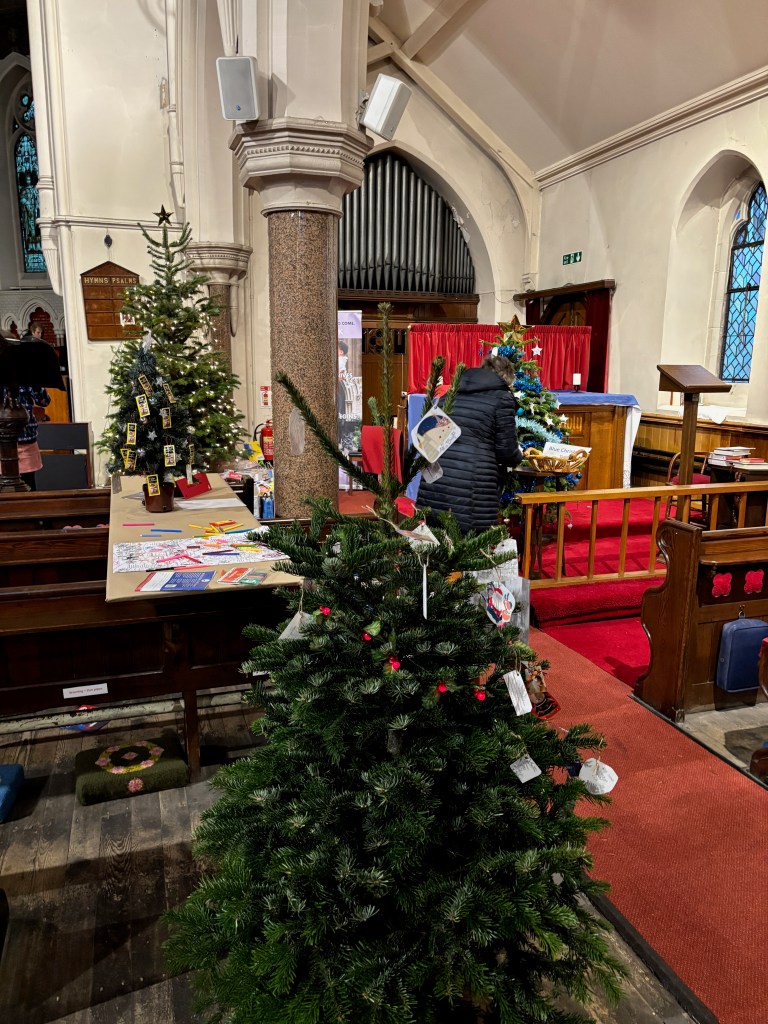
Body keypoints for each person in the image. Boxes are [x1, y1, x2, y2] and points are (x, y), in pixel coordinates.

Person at [417, 354, 523, 534]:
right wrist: (520, 454)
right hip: (473, 488)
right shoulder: (502, 398)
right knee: (470, 544)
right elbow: (507, 453)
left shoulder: (450, 393)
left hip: (435, 485)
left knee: (437, 541)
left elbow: (428, 441)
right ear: (506, 379)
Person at [13, 383, 50, 490]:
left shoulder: (27, 378)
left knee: (28, 485)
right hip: (3, 442)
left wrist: (36, 384)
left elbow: (44, 401)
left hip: (26, 440)